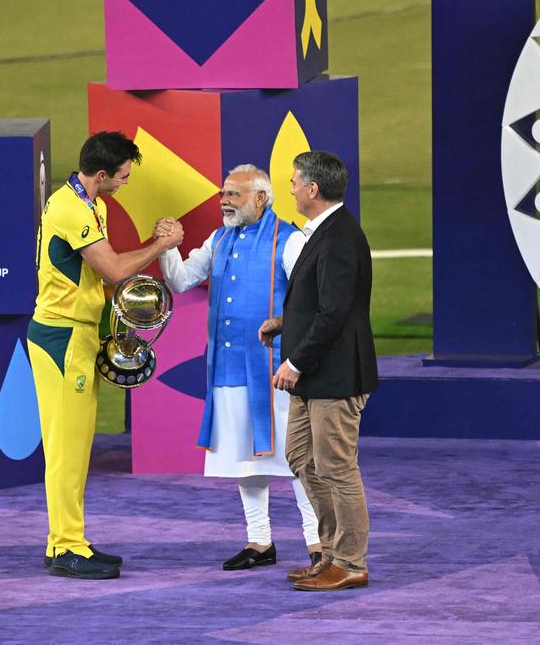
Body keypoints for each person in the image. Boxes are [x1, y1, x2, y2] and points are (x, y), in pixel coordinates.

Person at [30, 131, 183, 580]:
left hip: (77, 334)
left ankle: (68, 539)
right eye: (122, 176)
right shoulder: (73, 209)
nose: (125, 183)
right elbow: (113, 269)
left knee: (77, 447)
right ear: (101, 174)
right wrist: (160, 246)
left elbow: (98, 276)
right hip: (61, 338)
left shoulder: (91, 204)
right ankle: (65, 547)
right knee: (65, 449)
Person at [157, 164, 321, 573]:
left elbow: (312, 300)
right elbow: (179, 280)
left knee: (297, 458)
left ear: (261, 198)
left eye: (234, 194)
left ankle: (318, 542)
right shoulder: (219, 238)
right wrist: (165, 246)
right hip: (228, 369)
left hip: (277, 372)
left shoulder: (290, 240)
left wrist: (295, 354)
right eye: (223, 194)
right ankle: (259, 541)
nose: (224, 202)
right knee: (244, 460)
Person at [259, 150, 378, 591]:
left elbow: (335, 312)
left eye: (293, 182)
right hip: (318, 377)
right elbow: (321, 303)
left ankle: (350, 562)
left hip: (336, 376)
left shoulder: (339, 238)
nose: (288, 188)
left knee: (337, 467)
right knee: (303, 458)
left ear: (312, 189)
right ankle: (329, 552)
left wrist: (294, 361)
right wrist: (285, 324)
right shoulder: (324, 233)